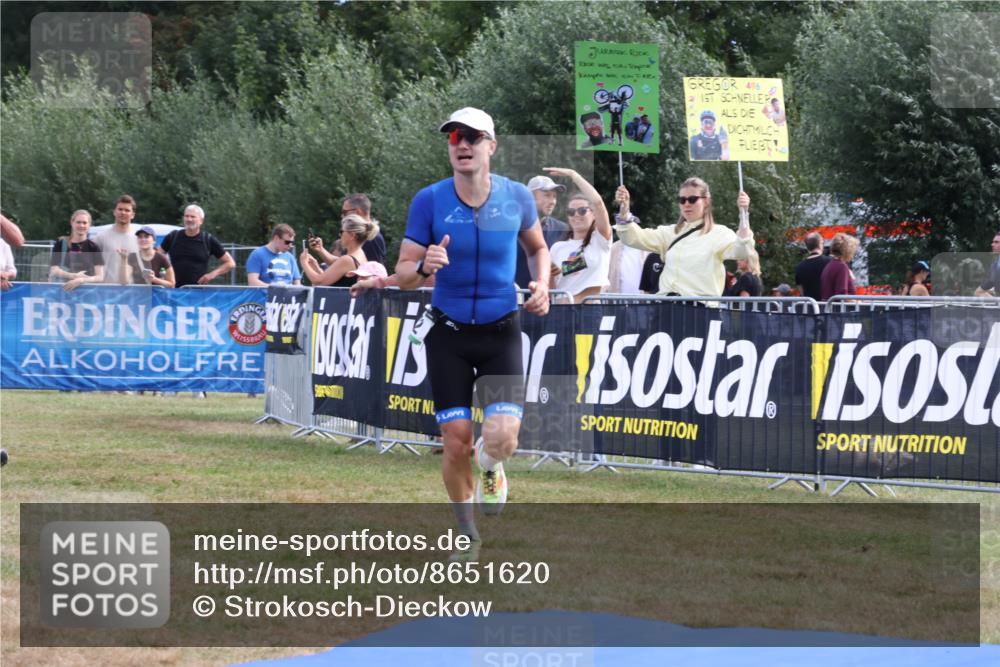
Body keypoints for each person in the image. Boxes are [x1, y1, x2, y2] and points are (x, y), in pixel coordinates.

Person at [395, 107, 550, 561]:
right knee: (456, 440)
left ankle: (491, 465)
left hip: (501, 330)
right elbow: (402, 272)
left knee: (502, 439)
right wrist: (423, 267)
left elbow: (538, 249)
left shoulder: (517, 197)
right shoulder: (429, 200)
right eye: (454, 138)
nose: (462, 144)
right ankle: (466, 534)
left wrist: (542, 284)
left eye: (473, 137)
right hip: (448, 335)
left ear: (491, 147)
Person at [614, 178, 753, 296]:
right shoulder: (669, 232)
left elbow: (742, 251)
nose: (686, 204)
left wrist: (744, 215)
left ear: (706, 202)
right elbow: (633, 238)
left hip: (700, 311)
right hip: (666, 309)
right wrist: (624, 211)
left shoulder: (720, 233)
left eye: (692, 199)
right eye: (682, 200)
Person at [545, 168, 612, 303]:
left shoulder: (600, 241)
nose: (576, 215)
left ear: (593, 214)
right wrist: (551, 275)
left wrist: (573, 175)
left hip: (589, 312)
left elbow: (598, 203)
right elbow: (552, 289)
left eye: (582, 211)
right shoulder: (558, 247)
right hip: (561, 312)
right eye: (571, 211)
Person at [513, 175, 570, 288]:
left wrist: (563, 267)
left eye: (554, 196)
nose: (553, 201)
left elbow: (580, 262)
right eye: (547, 195)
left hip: (549, 302)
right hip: (516, 301)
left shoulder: (564, 229)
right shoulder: (511, 228)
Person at [159, 204, 235, 288]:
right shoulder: (173, 237)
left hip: (197, 293)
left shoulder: (208, 239)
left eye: (193, 216)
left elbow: (230, 263)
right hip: (173, 291)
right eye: (186, 216)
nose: (189, 219)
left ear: (201, 221)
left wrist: (211, 275)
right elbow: (156, 257)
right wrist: (163, 272)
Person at [299, 214, 377, 287]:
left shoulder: (347, 260)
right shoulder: (360, 255)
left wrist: (304, 262)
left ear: (352, 235)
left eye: (341, 232)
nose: (340, 235)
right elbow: (336, 262)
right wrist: (320, 250)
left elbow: (319, 281)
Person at [49, 210, 106, 290]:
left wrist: (81, 280)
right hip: (62, 291)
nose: (81, 225)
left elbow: (100, 277)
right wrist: (73, 276)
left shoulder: (94, 247)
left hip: (85, 294)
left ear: (89, 225)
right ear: (72, 223)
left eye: (84, 223)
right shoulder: (61, 244)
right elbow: (54, 270)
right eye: (78, 222)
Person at [94, 195, 140, 283]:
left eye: (127, 210)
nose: (123, 212)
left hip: (130, 292)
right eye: (120, 209)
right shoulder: (100, 238)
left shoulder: (138, 240)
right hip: (106, 291)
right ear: (114, 212)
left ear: (133, 215)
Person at [819, 232, 860, 300]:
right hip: (841, 309)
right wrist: (857, 302)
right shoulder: (841, 267)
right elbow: (842, 295)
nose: (853, 254)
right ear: (848, 250)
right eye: (853, 250)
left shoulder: (830, 265)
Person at [794, 231, 832, 302]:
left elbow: (802, 291)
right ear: (820, 245)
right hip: (827, 307)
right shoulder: (830, 262)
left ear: (807, 247)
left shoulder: (799, 267)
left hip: (809, 307)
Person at [974, 232, 1000, 297]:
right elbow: (978, 292)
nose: (992, 244)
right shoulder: (994, 267)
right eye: (993, 242)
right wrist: (996, 302)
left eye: (996, 242)